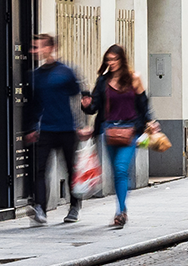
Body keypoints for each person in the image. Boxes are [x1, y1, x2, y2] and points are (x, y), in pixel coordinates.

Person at [86, 44, 158, 230]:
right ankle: (122, 207)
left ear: (122, 59)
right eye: (108, 60)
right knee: (116, 172)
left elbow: (143, 104)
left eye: (114, 59)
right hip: (109, 131)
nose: (111, 63)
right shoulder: (103, 81)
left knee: (120, 168)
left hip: (130, 131)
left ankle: (120, 211)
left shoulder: (134, 79)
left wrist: (150, 122)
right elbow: (94, 107)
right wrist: (85, 103)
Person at [26, 33, 87, 225]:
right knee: (40, 169)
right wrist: (32, 127)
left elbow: (79, 99)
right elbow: (34, 105)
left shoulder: (66, 72)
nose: (34, 51)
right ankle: (40, 208)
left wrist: (82, 125)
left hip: (68, 129)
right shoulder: (35, 75)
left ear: (51, 48)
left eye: (38, 47)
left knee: (71, 169)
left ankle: (74, 206)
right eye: (34, 47)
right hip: (46, 129)